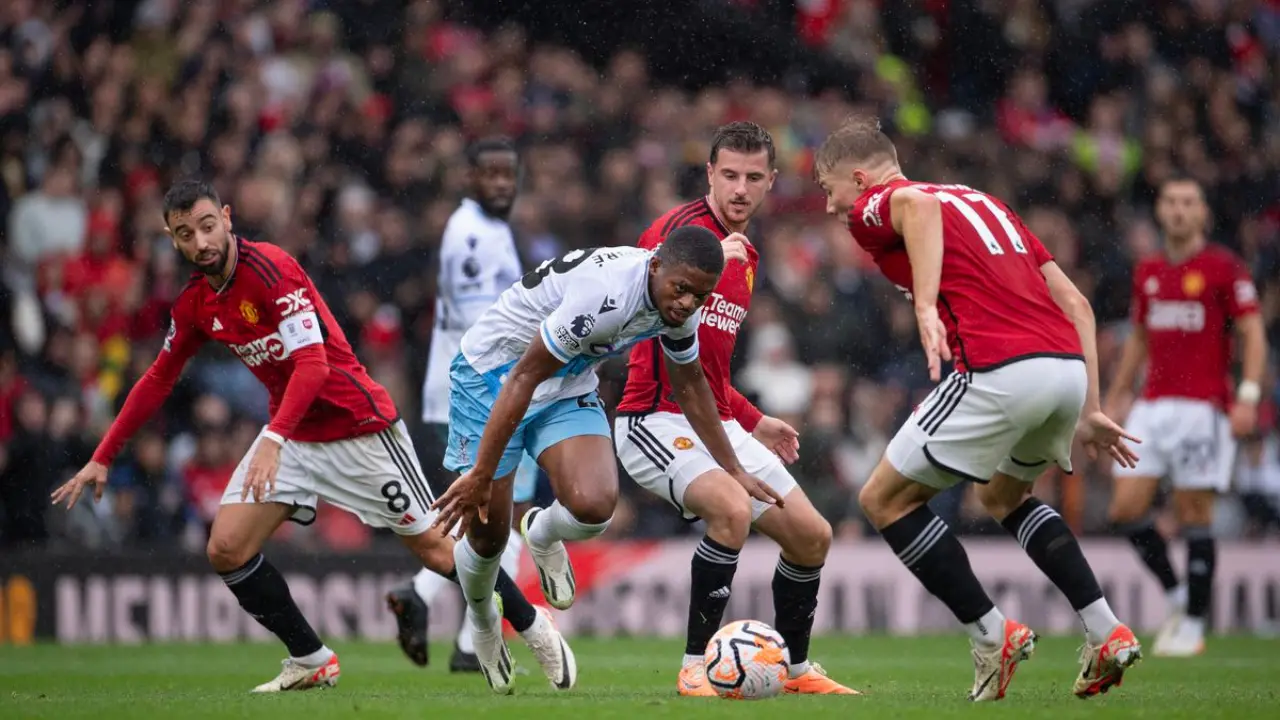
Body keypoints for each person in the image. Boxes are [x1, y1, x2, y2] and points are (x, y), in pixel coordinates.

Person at [50, 179, 574, 694]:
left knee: (441, 554)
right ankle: (310, 658)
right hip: (294, 436)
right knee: (226, 548)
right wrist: (102, 456)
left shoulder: (273, 269)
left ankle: (534, 627)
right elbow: (158, 377)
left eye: (208, 226)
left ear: (227, 218)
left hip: (360, 431)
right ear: (172, 238)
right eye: (185, 234)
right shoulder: (194, 304)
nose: (201, 242)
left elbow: (312, 365)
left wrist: (273, 440)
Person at [813, 116, 1142, 701]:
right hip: (1065, 369)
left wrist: (925, 306)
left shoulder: (880, 202)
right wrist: (1088, 405)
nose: (830, 206)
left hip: (998, 371)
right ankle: (1106, 629)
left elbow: (914, 207)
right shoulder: (986, 202)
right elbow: (1078, 303)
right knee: (1001, 495)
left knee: (881, 499)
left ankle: (993, 634)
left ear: (858, 178)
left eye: (827, 189)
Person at [429, 227, 784, 693]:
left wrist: (734, 468)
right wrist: (479, 473)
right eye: (681, 290)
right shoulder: (607, 296)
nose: (687, 304)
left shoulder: (679, 300)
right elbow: (521, 378)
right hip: (493, 377)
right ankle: (481, 621)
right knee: (489, 537)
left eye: (700, 295)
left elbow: (693, 384)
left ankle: (542, 531)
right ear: (656, 265)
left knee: (595, 505)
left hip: (564, 382)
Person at [614, 121, 856, 696]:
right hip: (653, 418)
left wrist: (753, 418)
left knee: (811, 535)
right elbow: (638, 309)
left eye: (752, 177)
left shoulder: (747, 255)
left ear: (771, 182)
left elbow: (709, 369)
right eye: (728, 175)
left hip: (715, 419)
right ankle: (695, 665)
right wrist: (703, 267)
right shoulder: (678, 234)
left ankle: (794, 669)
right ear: (709, 175)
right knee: (731, 510)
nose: (740, 189)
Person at [386, 137, 539, 673]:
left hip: (475, 390)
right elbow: (485, 331)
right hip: (480, 392)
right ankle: (471, 642)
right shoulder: (472, 235)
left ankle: (429, 602)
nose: (501, 183)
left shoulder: (486, 229)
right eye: (490, 174)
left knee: (481, 515)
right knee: (506, 515)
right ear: (468, 178)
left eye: (508, 173)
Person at [1104, 176, 1266, 657]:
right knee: (1124, 509)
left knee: (1195, 514)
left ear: (1202, 214)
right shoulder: (1148, 270)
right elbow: (1139, 338)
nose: (1178, 210)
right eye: (1171, 202)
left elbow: (1254, 334)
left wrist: (1249, 396)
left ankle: (1193, 624)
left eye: (1188, 203)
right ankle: (1180, 596)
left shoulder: (1223, 268)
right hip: (1152, 406)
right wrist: (1116, 394)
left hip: (1204, 408)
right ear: (1159, 210)